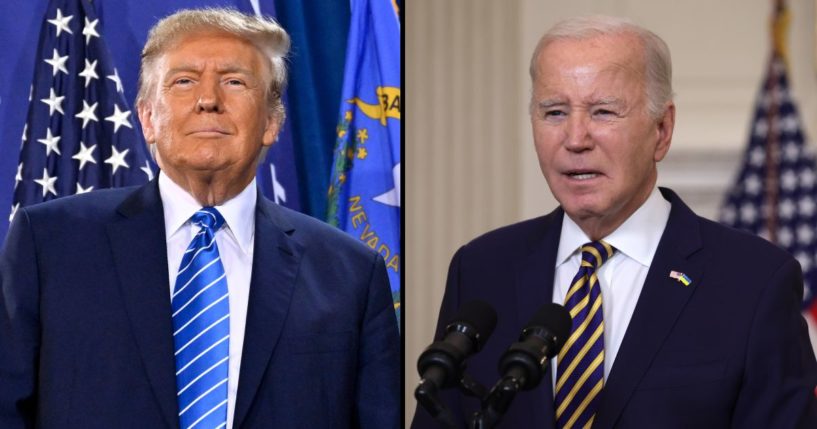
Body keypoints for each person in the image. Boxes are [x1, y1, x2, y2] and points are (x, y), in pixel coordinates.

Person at [0, 8, 399, 429]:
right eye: (184, 81)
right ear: (148, 119)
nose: (208, 100)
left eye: (234, 81)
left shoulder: (351, 274)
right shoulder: (50, 244)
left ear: (271, 122)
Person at [412, 15, 817, 428]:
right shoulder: (482, 268)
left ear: (662, 130)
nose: (575, 139)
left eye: (603, 112)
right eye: (553, 112)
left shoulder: (754, 282)